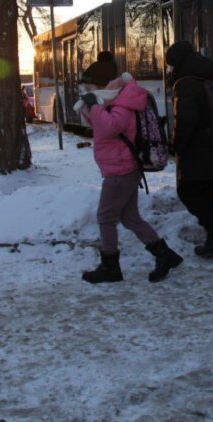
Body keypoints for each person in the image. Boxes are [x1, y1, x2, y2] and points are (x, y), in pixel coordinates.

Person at [79, 73, 183, 284]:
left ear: (118, 91)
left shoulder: (124, 106)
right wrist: (92, 108)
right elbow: (101, 124)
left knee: (106, 217)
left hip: (120, 170)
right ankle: (165, 255)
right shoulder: (124, 103)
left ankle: (110, 267)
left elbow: (110, 127)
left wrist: (95, 107)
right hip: (124, 168)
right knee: (130, 218)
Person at [165, 41, 213, 258]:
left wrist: (176, 145)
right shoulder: (206, 74)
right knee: (206, 192)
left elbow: (185, 120)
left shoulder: (185, 83)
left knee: (188, 192)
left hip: (197, 150)